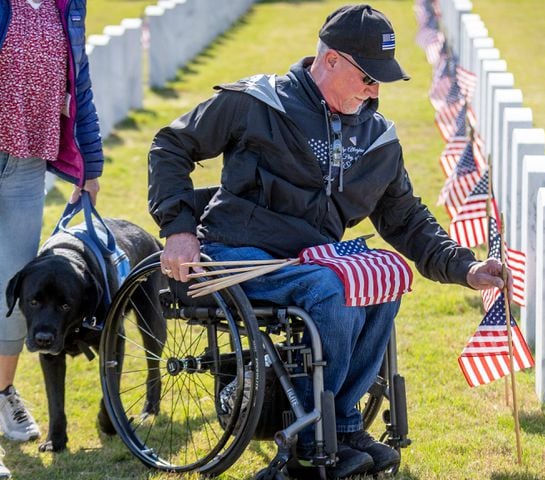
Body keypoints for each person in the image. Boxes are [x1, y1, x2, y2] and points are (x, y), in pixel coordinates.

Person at [149, 4, 507, 477]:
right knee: (332, 289)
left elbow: (405, 219)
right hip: (236, 254)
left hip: (313, 260)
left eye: (381, 79)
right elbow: (171, 145)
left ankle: (341, 425)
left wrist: (465, 267)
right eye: (368, 76)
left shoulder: (377, 139)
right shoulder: (257, 103)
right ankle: (316, 435)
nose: (375, 90)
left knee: (384, 278)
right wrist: (177, 229)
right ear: (331, 60)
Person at [0, 0, 104, 465]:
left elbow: (78, 84)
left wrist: (91, 165)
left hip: (27, 165)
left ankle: (2, 395)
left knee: (15, 294)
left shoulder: (68, 5)